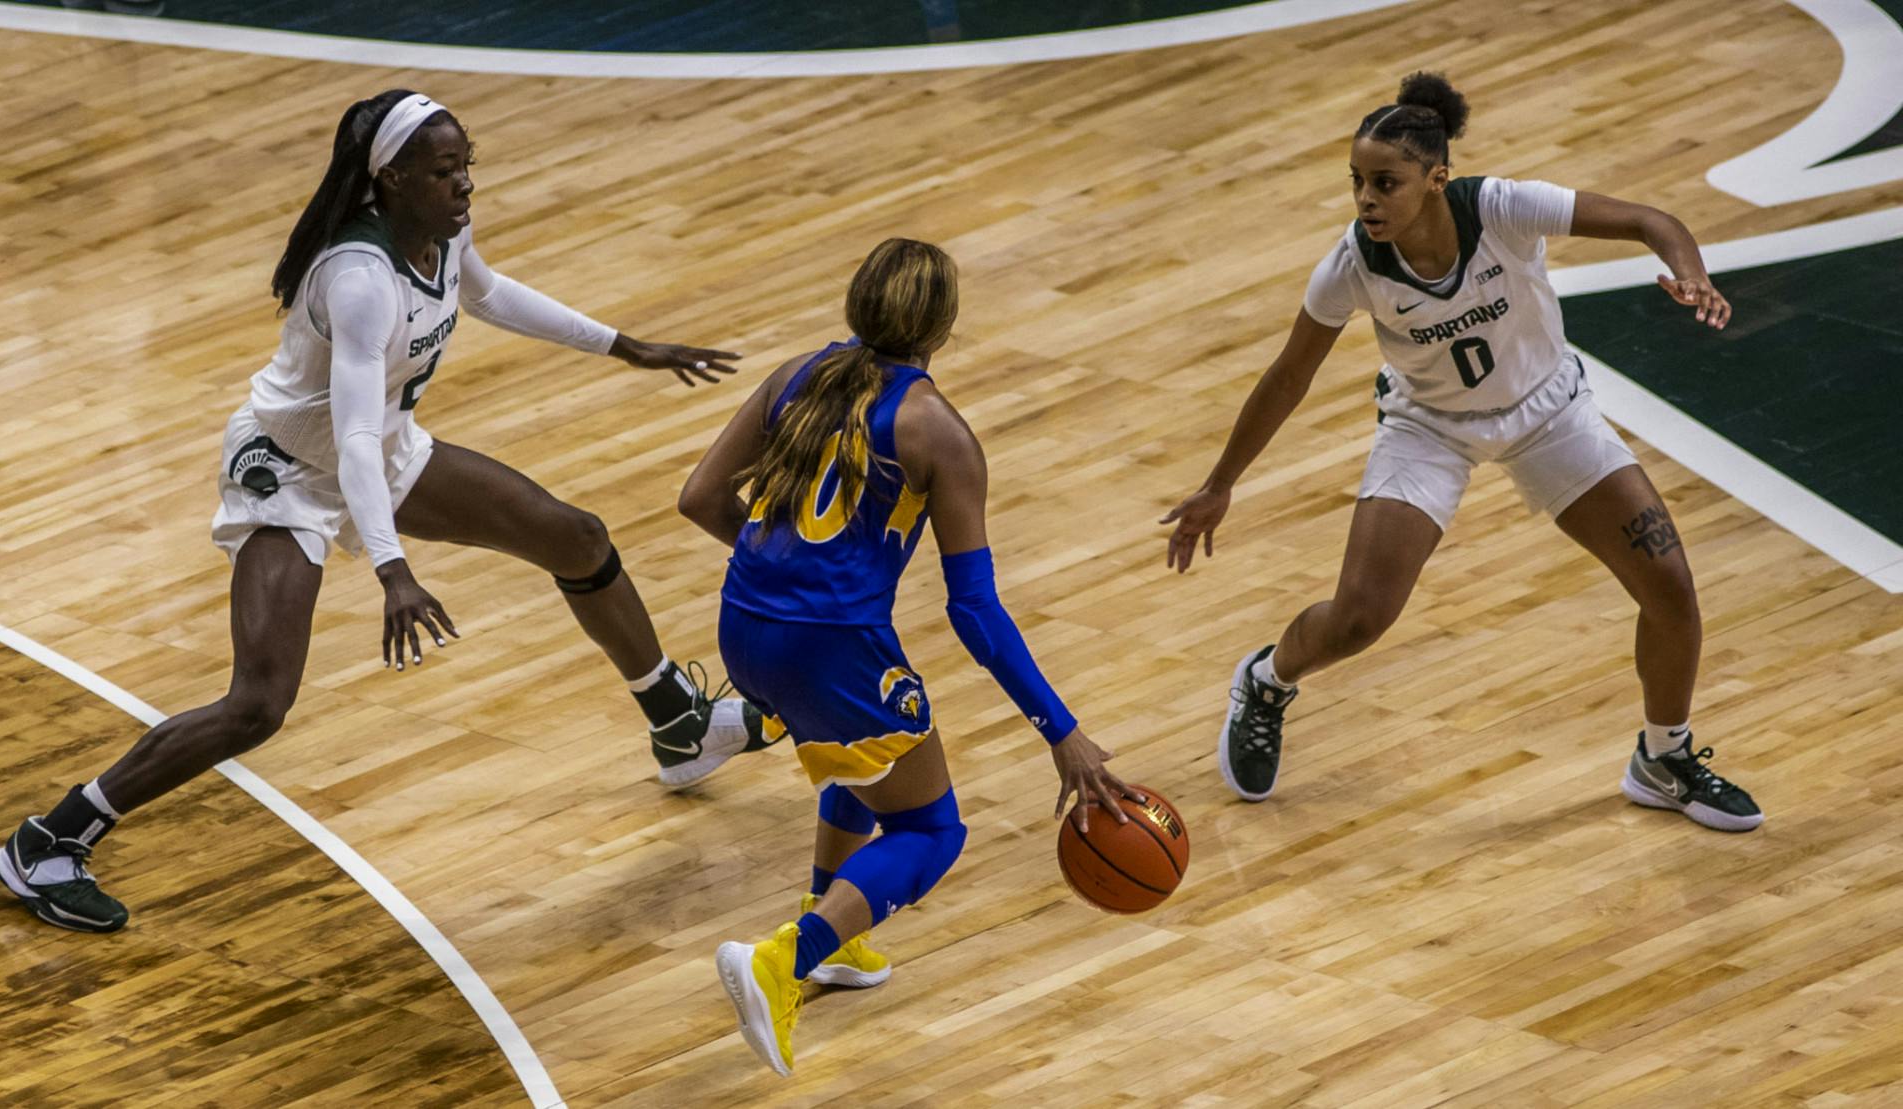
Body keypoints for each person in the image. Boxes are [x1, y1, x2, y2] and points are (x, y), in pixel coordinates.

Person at [0, 89, 772, 934]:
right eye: (446, 171)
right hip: (289, 468)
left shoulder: (441, 227)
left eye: (468, 164)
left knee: (574, 536)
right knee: (259, 703)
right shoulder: (358, 278)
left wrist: (623, 345)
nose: (465, 184)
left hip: (382, 445)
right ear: (391, 178)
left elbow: (489, 294)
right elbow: (353, 435)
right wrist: (392, 568)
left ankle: (680, 726)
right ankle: (52, 840)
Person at [1162, 72, 1761, 833]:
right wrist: (1220, 483)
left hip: (1550, 412)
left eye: (1386, 182)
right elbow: (1289, 375)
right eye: (1357, 182)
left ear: (1436, 178)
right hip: (1430, 428)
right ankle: (1268, 681)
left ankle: (1662, 757)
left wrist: (1692, 272)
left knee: (1670, 586)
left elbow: (1650, 218)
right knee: (1358, 619)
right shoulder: (1352, 264)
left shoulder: (1505, 208)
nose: (1366, 200)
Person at [680, 238, 1140, 1076]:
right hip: (831, 645)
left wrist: (771, 576)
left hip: (741, 625)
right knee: (930, 825)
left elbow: (699, 496)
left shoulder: (794, 374)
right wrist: (1060, 731)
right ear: (945, 325)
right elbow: (974, 609)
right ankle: (786, 955)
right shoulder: (938, 429)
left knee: (857, 757)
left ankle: (835, 936)